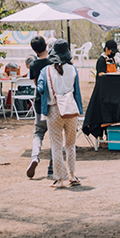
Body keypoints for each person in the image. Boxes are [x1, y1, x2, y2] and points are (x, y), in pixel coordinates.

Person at [37, 39, 83, 188]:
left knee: (56, 145)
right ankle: (72, 175)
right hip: (71, 110)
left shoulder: (46, 71)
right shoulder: (73, 70)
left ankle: (59, 179)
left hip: (53, 110)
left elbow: (40, 88)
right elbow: (77, 93)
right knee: (70, 144)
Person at [26, 36, 53, 179]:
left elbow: (37, 84)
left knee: (38, 133)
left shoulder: (33, 65)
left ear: (34, 50)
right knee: (55, 137)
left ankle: (34, 158)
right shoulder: (53, 63)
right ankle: (52, 169)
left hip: (39, 103)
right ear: (46, 45)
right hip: (54, 103)